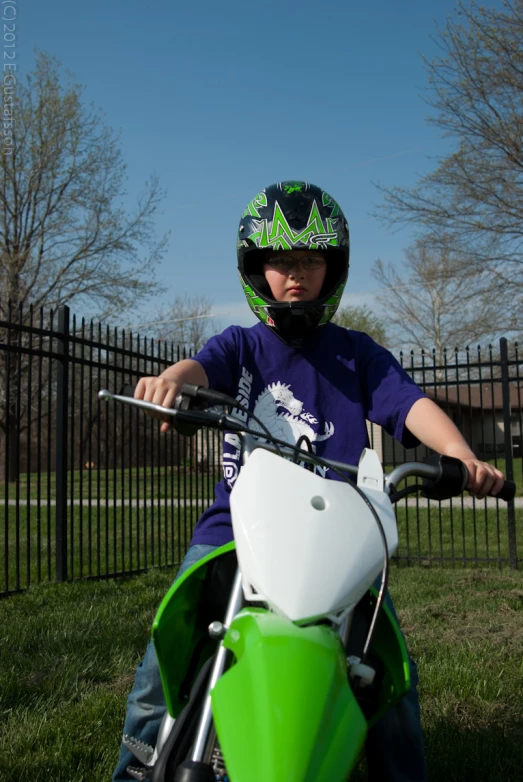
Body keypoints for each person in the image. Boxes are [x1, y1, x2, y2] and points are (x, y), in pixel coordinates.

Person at [113, 181, 505, 782]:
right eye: (281, 262)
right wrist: (173, 380)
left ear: (334, 268)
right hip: (236, 535)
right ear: (255, 269)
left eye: (311, 260)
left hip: (339, 543)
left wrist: (460, 452)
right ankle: (134, 772)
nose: (296, 275)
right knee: (159, 667)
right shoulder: (239, 346)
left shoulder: (358, 354)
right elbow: (200, 370)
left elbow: (409, 404)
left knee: (392, 678)